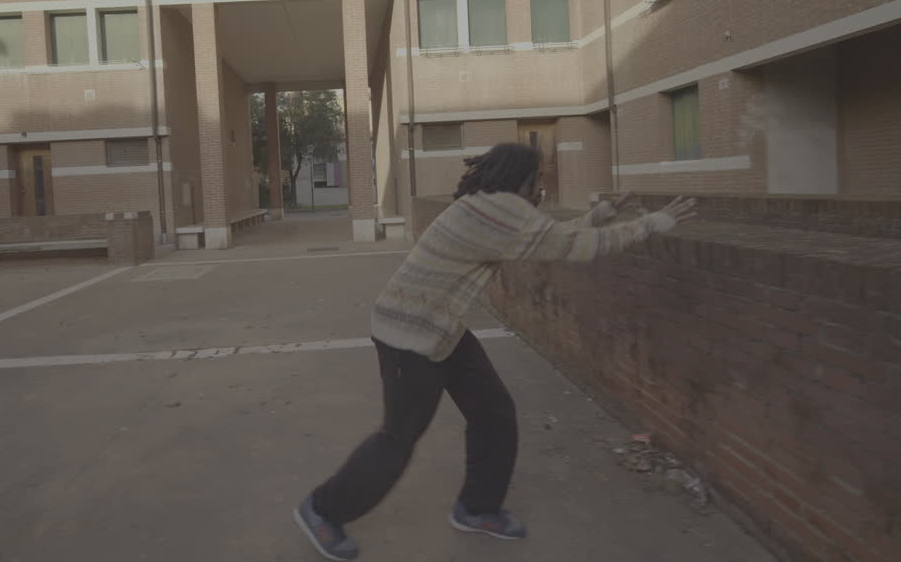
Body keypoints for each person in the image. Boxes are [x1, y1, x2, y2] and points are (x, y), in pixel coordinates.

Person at [293, 142, 698, 561]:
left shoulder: (485, 204)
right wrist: (654, 222)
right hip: (406, 334)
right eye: (538, 177)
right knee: (398, 437)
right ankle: (322, 510)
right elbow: (578, 248)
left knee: (494, 414)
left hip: (441, 327)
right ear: (521, 177)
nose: (541, 185)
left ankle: (477, 508)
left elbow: (552, 238)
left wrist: (603, 213)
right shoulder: (503, 211)